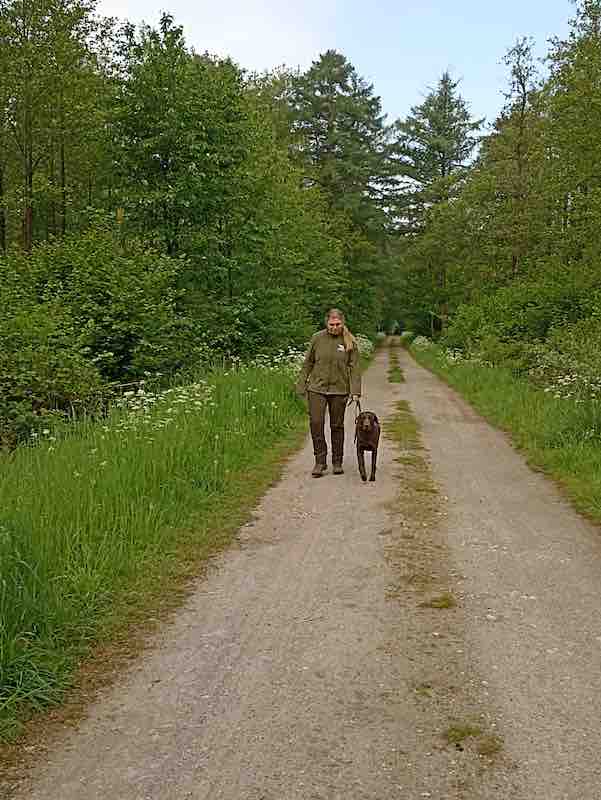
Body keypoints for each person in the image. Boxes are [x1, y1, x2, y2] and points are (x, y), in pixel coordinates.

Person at [296, 308, 362, 477]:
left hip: (339, 390)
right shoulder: (317, 338)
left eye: (337, 324)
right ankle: (320, 461)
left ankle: (337, 462)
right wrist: (301, 384)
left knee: (337, 426)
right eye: (331, 324)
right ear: (326, 323)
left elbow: (355, 368)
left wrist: (355, 391)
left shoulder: (349, 341)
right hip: (316, 388)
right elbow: (308, 363)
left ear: (343, 323)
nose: (334, 327)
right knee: (316, 423)